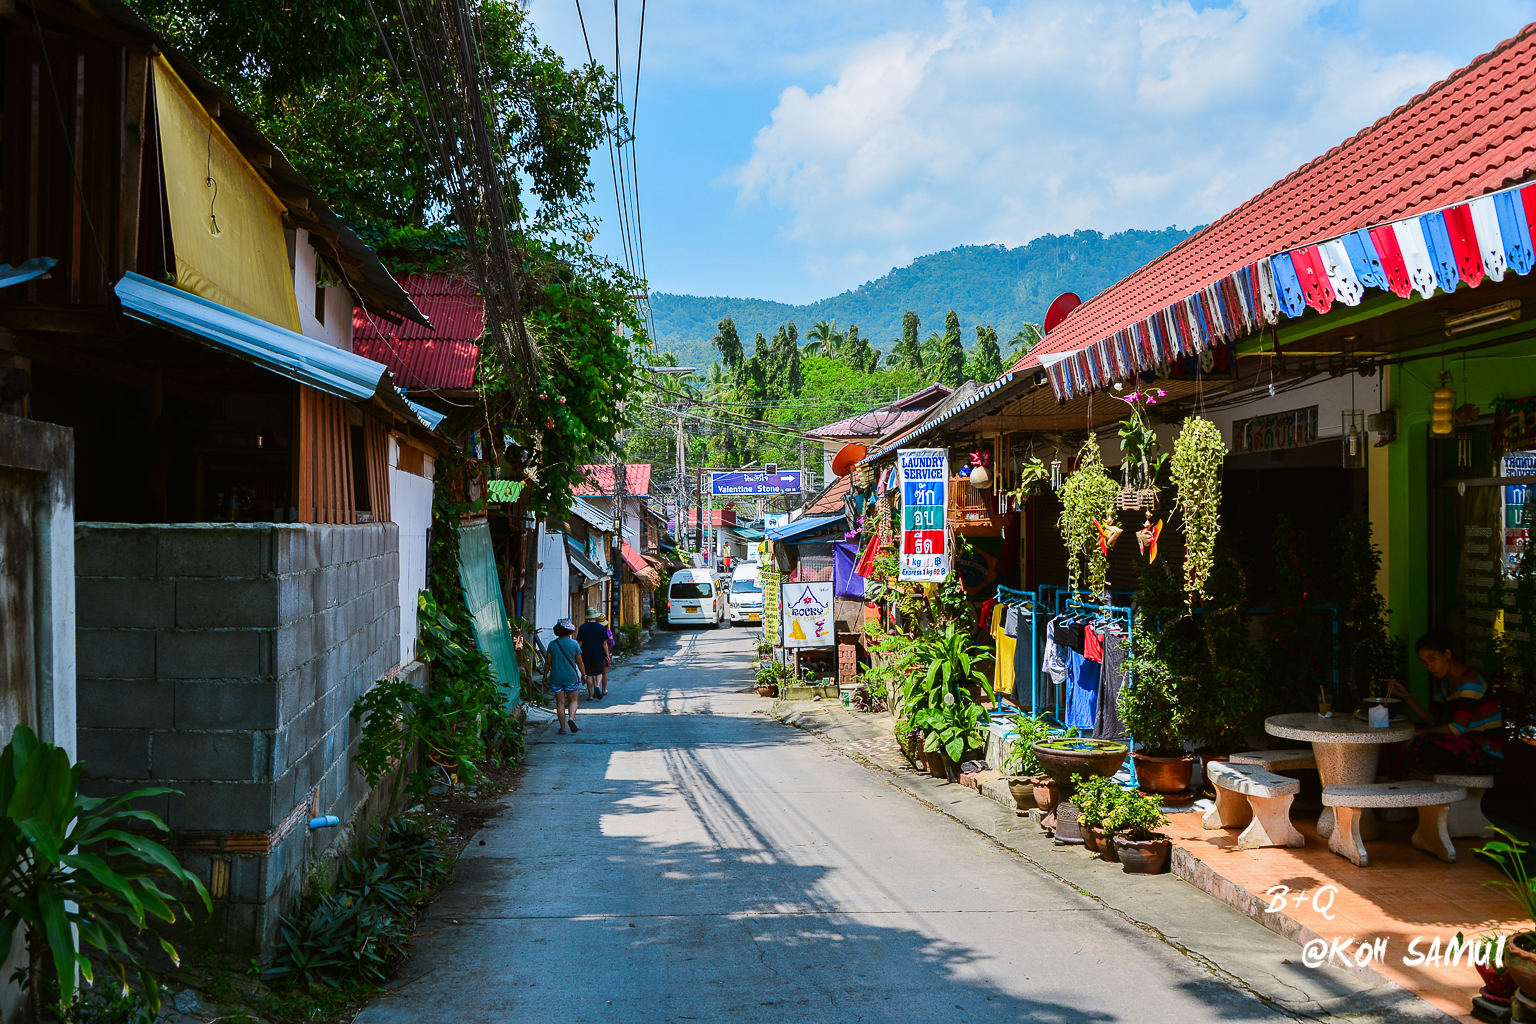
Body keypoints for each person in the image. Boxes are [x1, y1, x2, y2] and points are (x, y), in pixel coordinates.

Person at [1385, 628, 1504, 774]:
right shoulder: (1444, 682)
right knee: (1403, 732)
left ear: (1447, 654)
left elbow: (1457, 729)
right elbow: (1432, 720)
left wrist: (1419, 734)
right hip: (1465, 744)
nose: (1429, 666)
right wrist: (1406, 697)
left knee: (1424, 742)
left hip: (1484, 753)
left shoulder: (1470, 682)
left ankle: (1412, 773)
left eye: (1432, 659)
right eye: (1424, 662)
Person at [544, 619, 585, 735]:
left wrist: (545, 676)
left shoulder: (552, 644)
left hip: (556, 677)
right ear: (570, 631)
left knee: (560, 703)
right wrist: (584, 675)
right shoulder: (574, 644)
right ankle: (571, 718)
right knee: (573, 700)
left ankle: (562, 728)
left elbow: (548, 662)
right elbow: (579, 661)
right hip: (571, 677)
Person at [575, 609, 611, 701]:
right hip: (598, 653)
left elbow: (579, 642)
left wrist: (576, 653)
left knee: (589, 674)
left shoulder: (582, 627)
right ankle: (598, 686)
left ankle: (590, 695)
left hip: (586, 654)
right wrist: (607, 655)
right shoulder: (601, 628)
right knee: (599, 672)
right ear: (595, 617)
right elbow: (604, 643)